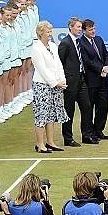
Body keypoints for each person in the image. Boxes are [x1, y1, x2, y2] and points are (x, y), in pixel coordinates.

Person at [30, 20, 67, 153]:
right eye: (48, 31)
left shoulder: (52, 46)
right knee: (42, 114)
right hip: (42, 85)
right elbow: (42, 69)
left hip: (55, 84)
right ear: (41, 33)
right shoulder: (36, 48)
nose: (50, 34)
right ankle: (40, 144)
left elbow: (58, 64)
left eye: (51, 31)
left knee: (51, 113)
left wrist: (61, 80)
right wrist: (54, 82)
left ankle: (50, 142)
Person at [55, 17, 93, 146]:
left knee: (87, 107)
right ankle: (68, 138)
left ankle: (87, 135)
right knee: (69, 110)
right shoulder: (65, 43)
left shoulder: (79, 42)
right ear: (71, 27)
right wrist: (63, 79)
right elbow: (60, 62)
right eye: (78, 27)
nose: (80, 30)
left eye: (80, 27)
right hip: (70, 82)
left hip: (81, 80)